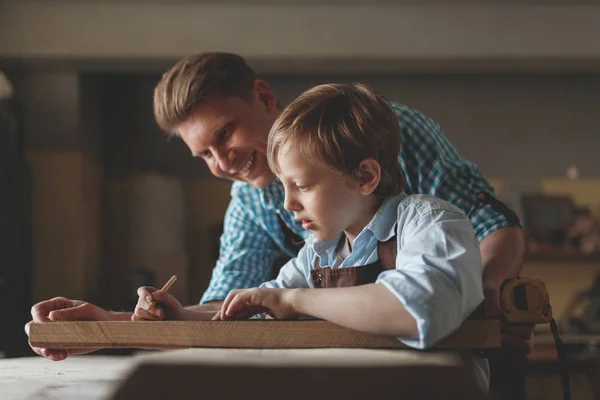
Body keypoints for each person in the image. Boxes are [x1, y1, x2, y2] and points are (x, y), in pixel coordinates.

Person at [26, 52, 528, 398]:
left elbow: (466, 248)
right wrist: (110, 325)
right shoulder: (308, 245)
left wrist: (480, 300)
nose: (222, 164)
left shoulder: (383, 154)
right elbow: (234, 313)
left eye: (224, 134)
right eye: (204, 155)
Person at [133, 83, 489, 388]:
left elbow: (420, 309)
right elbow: (259, 307)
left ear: (365, 176)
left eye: (301, 185)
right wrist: (181, 315)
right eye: (284, 186)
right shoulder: (319, 253)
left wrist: (297, 301)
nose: (288, 203)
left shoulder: (429, 223)